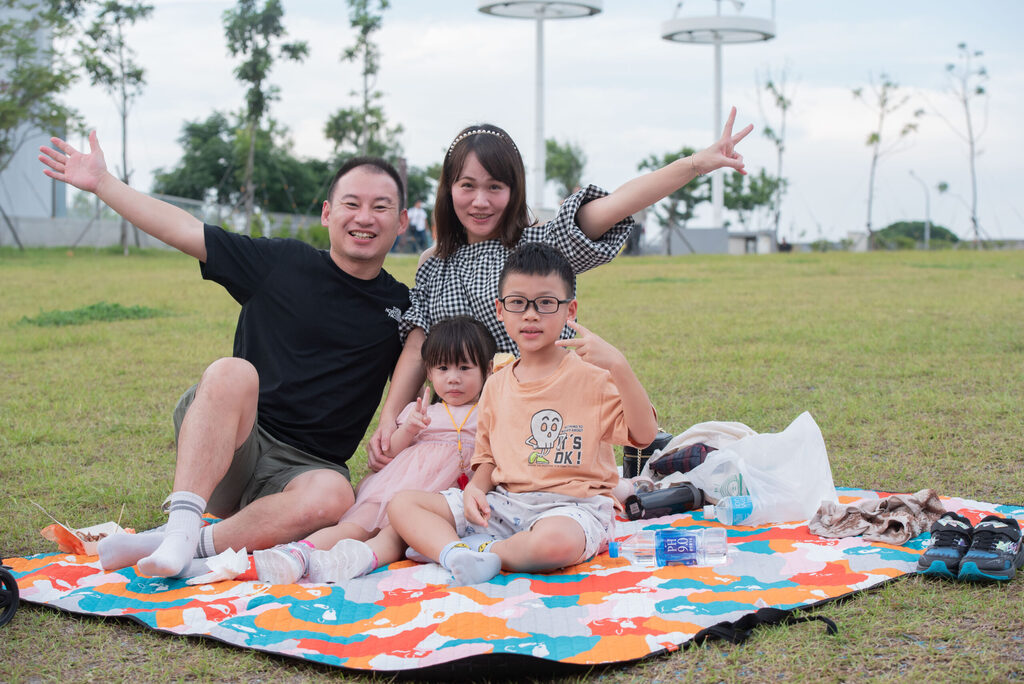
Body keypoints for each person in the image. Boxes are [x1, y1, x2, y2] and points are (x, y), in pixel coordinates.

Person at [38, 131, 411, 578]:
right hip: (233, 444)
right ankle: (181, 527)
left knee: (337, 496)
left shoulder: (403, 309)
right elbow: (184, 230)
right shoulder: (282, 263)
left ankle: (176, 544)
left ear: (402, 222)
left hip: (306, 473)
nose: (364, 217)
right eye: (352, 204)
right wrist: (103, 183)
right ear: (328, 212)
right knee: (232, 372)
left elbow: (450, 367)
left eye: (380, 207)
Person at [369, 107, 751, 473]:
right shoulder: (434, 263)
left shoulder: (542, 245)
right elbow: (418, 348)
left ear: (514, 189)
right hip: (462, 429)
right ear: (449, 189)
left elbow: (619, 203)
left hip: (543, 422)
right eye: (467, 186)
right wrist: (389, 421)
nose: (480, 201)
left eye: (495, 186)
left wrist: (697, 163)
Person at [388, 242, 658, 586]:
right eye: (518, 303)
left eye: (546, 303)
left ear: (570, 310)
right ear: (500, 310)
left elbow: (644, 435)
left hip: (572, 509)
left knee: (554, 544)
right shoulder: (497, 384)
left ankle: (482, 551)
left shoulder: (594, 377)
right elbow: (488, 458)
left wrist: (619, 366)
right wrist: (475, 490)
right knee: (403, 505)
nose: (531, 314)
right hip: (504, 504)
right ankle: (457, 554)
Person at [251, 315, 496, 584]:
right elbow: (390, 452)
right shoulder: (421, 411)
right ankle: (298, 552)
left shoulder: (489, 411)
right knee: (358, 523)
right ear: (429, 372)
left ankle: (353, 561)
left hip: (435, 499)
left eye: (464, 368)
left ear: (488, 369)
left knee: (395, 535)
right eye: (443, 368)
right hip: (398, 485)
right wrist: (409, 429)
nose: (453, 379)